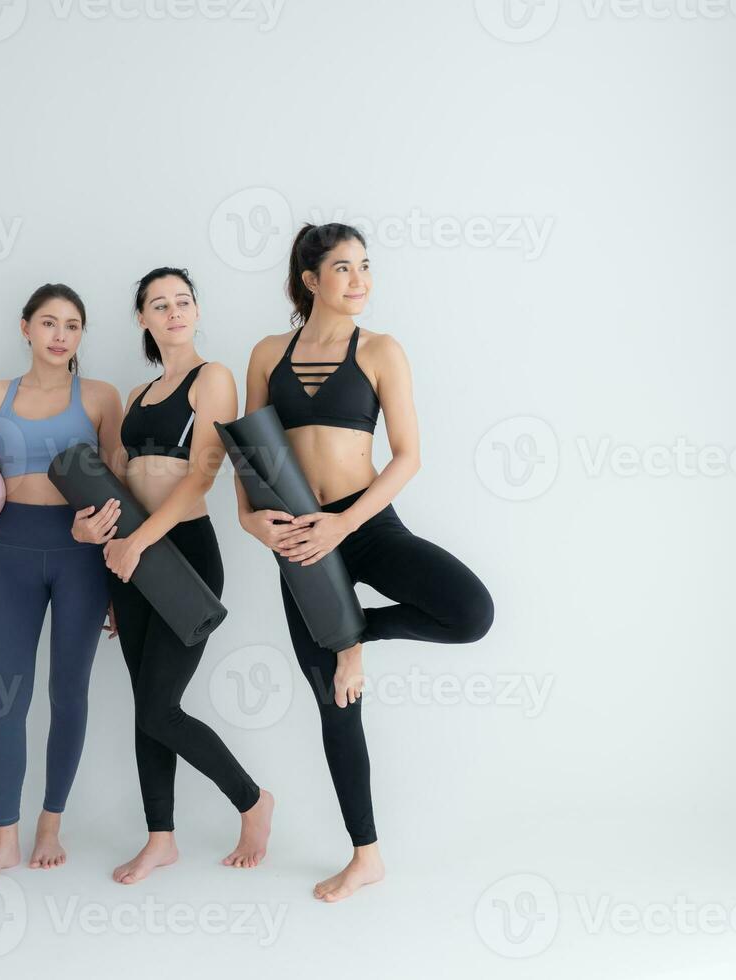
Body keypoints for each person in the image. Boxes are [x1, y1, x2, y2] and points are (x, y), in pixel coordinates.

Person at [237, 224, 494, 901]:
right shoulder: (267, 353)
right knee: (335, 703)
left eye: (366, 267)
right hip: (296, 537)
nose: (360, 280)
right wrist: (249, 520)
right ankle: (366, 855)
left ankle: (357, 631)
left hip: (365, 523)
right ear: (310, 280)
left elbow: (408, 454)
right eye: (344, 268)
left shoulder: (380, 351)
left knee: (472, 612)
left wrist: (344, 529)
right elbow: (252, 452)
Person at [75, 267, 275, 885]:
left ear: (195, 309)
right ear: (142, 318)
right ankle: (160, 838)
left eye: (183, 302)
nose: (173, 313)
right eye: (159, 305)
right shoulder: (136, 398)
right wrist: (103, 546)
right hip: (128, 559)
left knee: (161, 707)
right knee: (146, 706)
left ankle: (253, 800)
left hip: (182, 549)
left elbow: (201, 476)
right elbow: (115, 481)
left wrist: (136, 543)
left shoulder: (211, 378)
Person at [0, 283, 124, 886]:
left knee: (68, 693)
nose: (60, 335)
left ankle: (51, 824)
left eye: (72, 325)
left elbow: (122, 493)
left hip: (82, 559)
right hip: (11, 552)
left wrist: (125, 585)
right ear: (26, 328)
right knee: (7, 697)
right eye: (49, 323)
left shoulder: (100, 397)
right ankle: (3, 841)